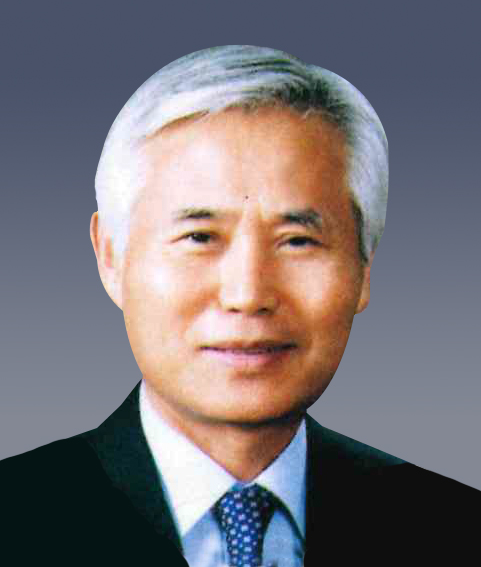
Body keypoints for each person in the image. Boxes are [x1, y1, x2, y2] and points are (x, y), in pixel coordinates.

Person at [2, 46, 479, 566]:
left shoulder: (455, 529)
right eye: (200, 237)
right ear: (111, 257)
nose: (248, 295)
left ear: (364, 268)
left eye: (297, 241)